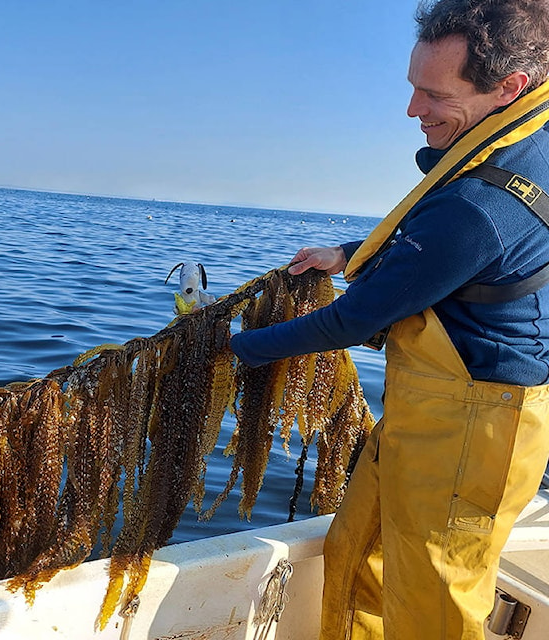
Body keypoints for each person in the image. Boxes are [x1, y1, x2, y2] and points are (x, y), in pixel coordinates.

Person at [229, 1, 549, 638]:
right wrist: (348, 254)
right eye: (412, 86)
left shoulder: (484, 200)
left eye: (433, 93)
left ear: (509, 88)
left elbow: (351, 321)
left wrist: (235, 350)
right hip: (429, 409)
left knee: (434, 606)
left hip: (476, 426)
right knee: (359, 560)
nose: (412, 110)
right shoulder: (515, 143)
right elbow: (436, 252)